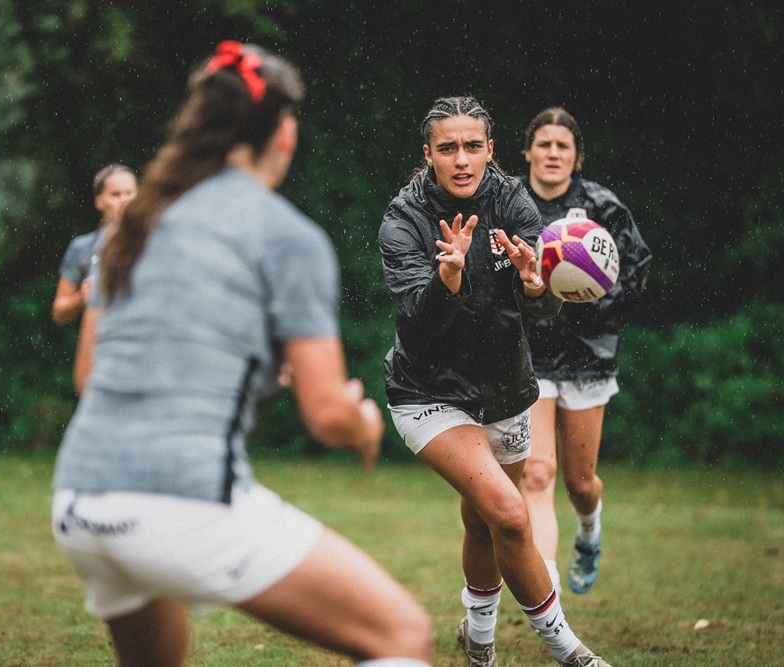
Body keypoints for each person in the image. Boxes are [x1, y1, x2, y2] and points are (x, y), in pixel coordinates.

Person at [51, 41, 433, 667]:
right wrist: (362, 423)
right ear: (284, 133)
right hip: (182, 502)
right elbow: (327, 415)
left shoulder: (136, 223)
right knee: (402, 637)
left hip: (78, 501)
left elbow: (91, 376)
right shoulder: (287, 236)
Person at [378, 96, 612, 667]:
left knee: (484, 523)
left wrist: (536, 285)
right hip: (427, 393)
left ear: (490, 151)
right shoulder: (403, 219)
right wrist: (448, 278)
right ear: (427, 154)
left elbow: (543, 314)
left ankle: (478, 644)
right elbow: (420, 317)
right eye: (449, 148)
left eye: (473, 146)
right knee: (510, 513)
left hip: (505, 390)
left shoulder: (512, 201)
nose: (462, 159)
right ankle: (570, 651)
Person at [518, 107, 652, 596]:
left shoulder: (602, 205)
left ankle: (589, 533)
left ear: (576, 157)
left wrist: (590, 300)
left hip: (587, 356)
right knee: (537, 473)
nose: (553, 153)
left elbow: (635, 268)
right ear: (528, 150)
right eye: (544, 143)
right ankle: (547, 594)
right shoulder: (510, 202)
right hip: (528, 354)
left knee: (579, 482)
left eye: (563, 146)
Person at [52, 164, 138, 325]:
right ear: (99, 202)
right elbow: (59, 312)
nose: (125, 200)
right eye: (116, 194)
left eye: (129, 193)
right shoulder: (82, 247)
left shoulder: (155, 241)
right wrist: (81, 297)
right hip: (100, 341)